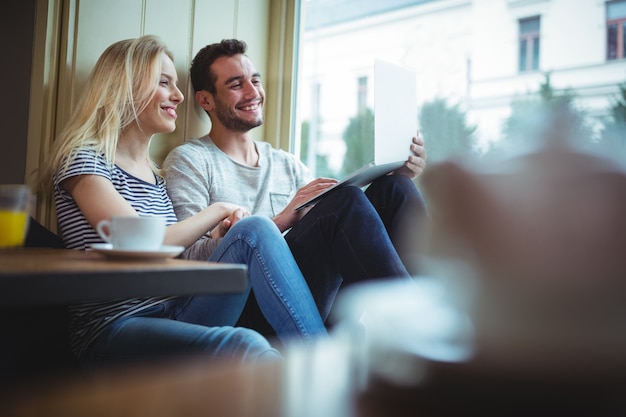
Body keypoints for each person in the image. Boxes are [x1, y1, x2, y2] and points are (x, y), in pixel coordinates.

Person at [35, 35, 328, 368]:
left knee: (253, 230)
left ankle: (319, 361)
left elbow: (173, 252)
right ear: (124, 88)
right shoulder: (84, 161)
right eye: (164, 82)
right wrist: (218, 210)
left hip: (177, 309)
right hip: (115, 327)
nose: (177, 95)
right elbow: (141, 242)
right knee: (245, 343)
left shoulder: (154, 175)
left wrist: (222, 234)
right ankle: (320, 373)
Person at [162, 39, 429, 326]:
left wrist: (398, 170)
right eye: (236, 85)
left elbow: (348, 224)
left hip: (312, 293)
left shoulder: (285, 163)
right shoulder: (190, 161)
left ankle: (434, 314)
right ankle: (422, 330)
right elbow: (185, 256)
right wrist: (278, 222)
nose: (254, 92)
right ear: (206, 100)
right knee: (345, 202)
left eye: (255, 80)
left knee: (394, 189)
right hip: (249, 305)